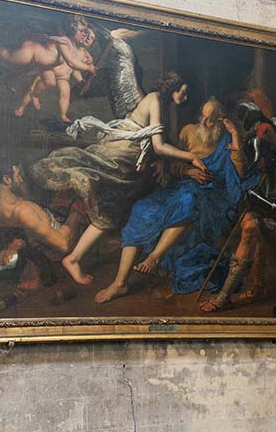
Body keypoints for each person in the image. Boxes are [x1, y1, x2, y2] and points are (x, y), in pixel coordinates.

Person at [28, 72, 207, 286]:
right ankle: (73, 258)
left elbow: (155, 146)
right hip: (121, 157)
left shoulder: (161, 103)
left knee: (109, 211)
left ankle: (74, 258)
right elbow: (158, 146)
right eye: (184, 92)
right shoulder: (155, 99)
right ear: (174, 87)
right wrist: (191, 156)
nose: (185, 98)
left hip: (128, 163)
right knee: (108, 209)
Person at [94, 98, 256, 304]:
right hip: (183, 185)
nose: (205, 123)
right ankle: (119, 283)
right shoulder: (188, 132)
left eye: (211, 120)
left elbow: (240, 173)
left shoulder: (227, 139)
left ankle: (155, 256)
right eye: (203, 118)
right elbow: (171, 166)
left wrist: (234, 134)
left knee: (188, 201)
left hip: (213, 195)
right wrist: (188, 171)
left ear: (221, 120)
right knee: (141, 208)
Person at [199, 91, 276, 314]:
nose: (258, 164)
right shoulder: (260, 162)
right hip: (272, 216)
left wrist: (252, 198)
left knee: (249, 225)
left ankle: (225, 297)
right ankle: (251, 288)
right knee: (249, 221)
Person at [0, 15, 97, 122]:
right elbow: (71, 62)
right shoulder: (63, 41)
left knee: (50, 82)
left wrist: (88, 58)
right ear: (72, 30)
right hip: (32, 53)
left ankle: (35, 95)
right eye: (81, 31)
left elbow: (76, 59)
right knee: (9, 59)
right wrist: (88, 67)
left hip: (45, 66)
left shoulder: (73, 45)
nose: (84, 34)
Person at [0, 161, 84, 254]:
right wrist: (76, 212)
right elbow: (63, 245)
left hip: (51, 224)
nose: (21, 180)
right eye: (18, 176)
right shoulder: (22, 211)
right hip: (61, 236)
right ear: (6, 179)